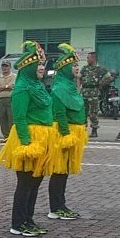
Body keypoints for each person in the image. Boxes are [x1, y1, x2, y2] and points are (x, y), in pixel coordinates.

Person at [0, 41, 55, 237]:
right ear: (28, 66)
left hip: (43, 138)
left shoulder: (38, 85)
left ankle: (28, 219)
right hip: (28, 138)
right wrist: (27, 144)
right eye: (37, 64)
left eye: (43, 64)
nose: (41, 68)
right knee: (25, 183)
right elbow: (19, 118)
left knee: (36, 181)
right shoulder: (22, 88)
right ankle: (18, 222)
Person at [47, 44, 88, 220]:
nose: (76, 69)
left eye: (77, 65)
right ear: (64, 68)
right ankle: (55, 207)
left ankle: (60, 204)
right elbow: (59, 114)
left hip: (75, 132)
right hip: (65, 133)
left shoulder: (70, 85)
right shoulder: (59, 88)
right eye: (73, 66)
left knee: (64, 171)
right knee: (59, 170)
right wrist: (65, 135)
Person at [79, 50, 111, 138]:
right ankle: (83, 130)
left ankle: (94, 130)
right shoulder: (85, 68)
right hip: (84, 92)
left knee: (93, 113)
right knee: (83, 113)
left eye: (88, 58)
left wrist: (101, 84)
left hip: (94, 93)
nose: (87, 59)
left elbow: (108, 77)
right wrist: (79, 88)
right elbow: (79, 77)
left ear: (93, 58)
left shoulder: (99, 69)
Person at [0, 59, 16, 139]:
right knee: (2, 118)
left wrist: (1, 88)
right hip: (1, 99)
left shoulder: (14, 76)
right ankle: (5, 136)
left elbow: (12, 86)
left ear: (10, 67)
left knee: (11, 118)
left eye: (6, 66)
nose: (4, 68)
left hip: (11, 99)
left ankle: (11, 137)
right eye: (3, 66)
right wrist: (7, 87)